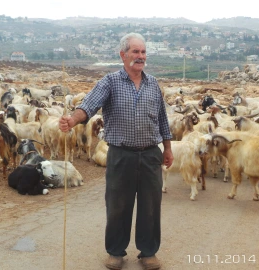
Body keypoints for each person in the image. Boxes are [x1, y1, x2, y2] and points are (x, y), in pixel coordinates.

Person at [59, 32, 174, 270]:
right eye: (135, 51)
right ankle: (115, 252)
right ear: (123, 55)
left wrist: (168, 148)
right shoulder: (109, 82)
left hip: (151, 153)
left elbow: (162, 119)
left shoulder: (153, 84)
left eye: (143, 52)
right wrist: (72, 120)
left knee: (150, 205)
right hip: (121, 154)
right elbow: (88, 105)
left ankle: (148, 252)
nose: (140, 56)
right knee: (118, 204)